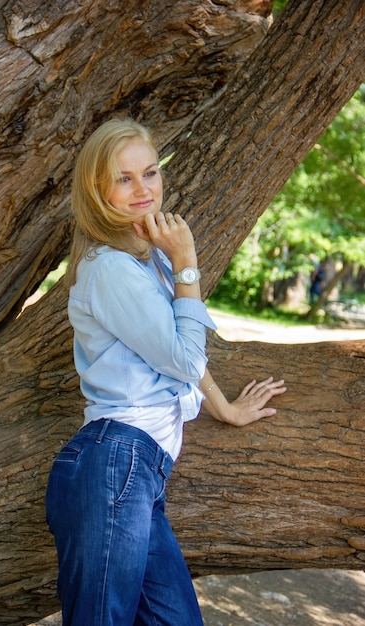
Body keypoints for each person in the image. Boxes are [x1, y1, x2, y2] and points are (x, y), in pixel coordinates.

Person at [45, 118, 286, 626]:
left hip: (140, 474)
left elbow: (179, 356)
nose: (142, 189)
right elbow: (183, 355)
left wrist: (225, 408)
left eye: (150, 173)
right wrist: (188, 262)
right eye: (123, 178)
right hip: (115, 461)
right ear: (97, 188)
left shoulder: (146, 259)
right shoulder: (111, 266)